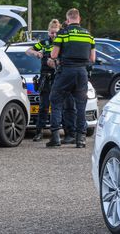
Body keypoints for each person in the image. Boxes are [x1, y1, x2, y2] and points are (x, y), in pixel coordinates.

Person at [46, 8, 95, 148]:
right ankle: (81, 139)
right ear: (79, 18)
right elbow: (92, 58)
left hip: (66, 71)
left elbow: (54, 55)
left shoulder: (63, 33)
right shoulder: (88, 35)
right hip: (82, 73)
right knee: (80, 106)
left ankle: (55, 137)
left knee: (55, 101)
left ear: (68, 20)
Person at [26, 19, 60, 141]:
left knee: (60, 106)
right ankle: (39, 132)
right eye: (52, 32)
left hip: (58, 77)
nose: (54, 35)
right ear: (48, 32)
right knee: (43, 106)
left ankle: (61, 132)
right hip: (45, 77)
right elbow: (28, 51)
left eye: (56, 32)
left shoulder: (61, 43)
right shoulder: (44, 42)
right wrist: (36, 53)